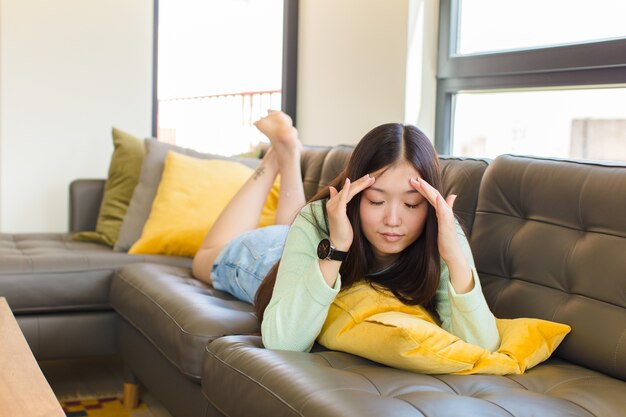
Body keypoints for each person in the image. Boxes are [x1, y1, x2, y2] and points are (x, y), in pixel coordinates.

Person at [192, 110, 501, 354]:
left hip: (303, 244)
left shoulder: (443, 229)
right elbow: (283, 342)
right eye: (376, 201)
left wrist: (454, 257)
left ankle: (287, 152)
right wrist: (337, 247)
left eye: (411, 204)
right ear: (355, 194)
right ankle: (277, 157)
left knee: (295, 228)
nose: (393, 220)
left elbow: (483, 347)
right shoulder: (319, 219)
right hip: (269, 258)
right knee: (204, 259)